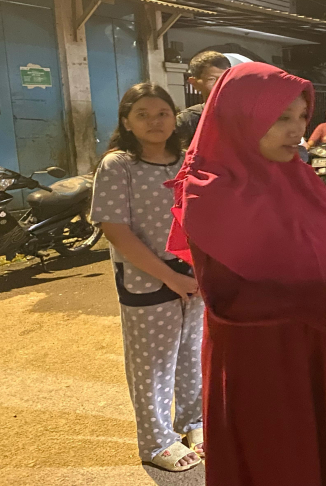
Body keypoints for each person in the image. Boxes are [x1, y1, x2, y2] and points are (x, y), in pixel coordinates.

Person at [166, 63, 326, 486]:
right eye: (280, 118)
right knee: (276, 461)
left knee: (318, 450)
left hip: (311, 337)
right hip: (258, 357)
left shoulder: (296, 175)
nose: (297, 131)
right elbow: (230, 301)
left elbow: (291, 257)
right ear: (239, 116)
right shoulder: (211, 190)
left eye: (301, 117)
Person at [91, 83, 204, 472]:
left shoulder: (189, 160)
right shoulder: (118, 164)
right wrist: (169, 277)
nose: (155, 121)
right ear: (126, 121)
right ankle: (156, 441)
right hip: (147, 279)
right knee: (152, 364)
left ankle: (194, 421)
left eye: (162, 113)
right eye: (143, 114)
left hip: (195, 276)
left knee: (193, 353)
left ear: (175, 118)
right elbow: (115, 230)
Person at [176, 51, 231, 146]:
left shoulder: (245, 117)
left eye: (225, 79)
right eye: (212, 79)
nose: (221, 85)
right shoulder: (187, 120)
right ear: (194, 83)